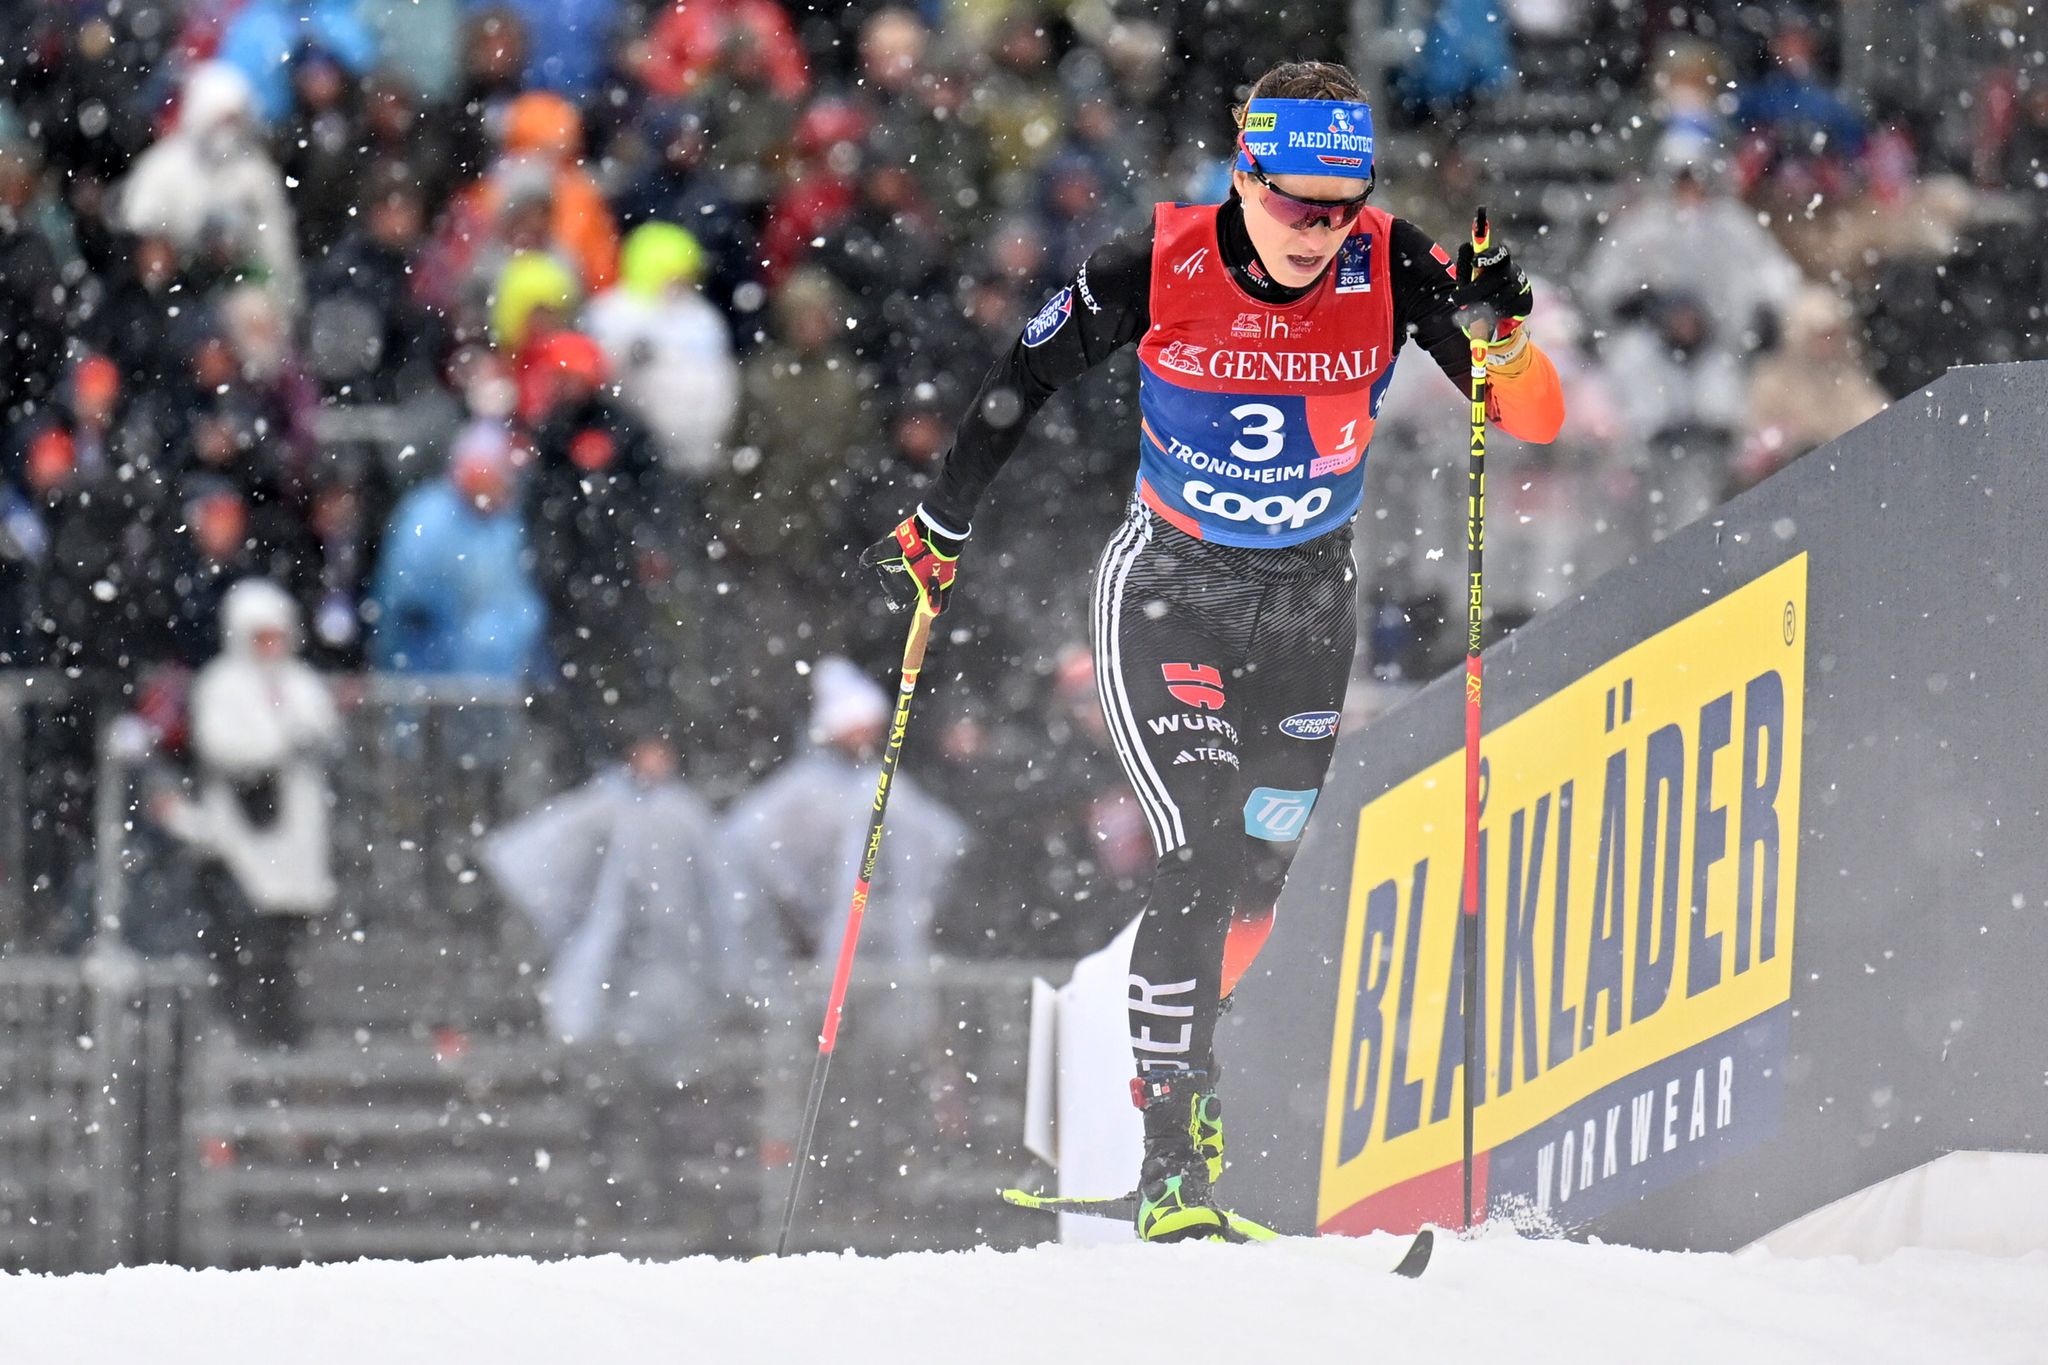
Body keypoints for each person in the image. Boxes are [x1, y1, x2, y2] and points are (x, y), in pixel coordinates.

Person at [863, 61, 1565, 1242]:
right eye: (1295, 204)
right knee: (1196, 838)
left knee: (1265, 860)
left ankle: (1168, 1072)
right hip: (1172, 589)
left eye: (1340, 207)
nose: (1316, 233)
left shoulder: (1389, 264)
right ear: (1245, 174)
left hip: (1305, 606)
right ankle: (1170, 1160)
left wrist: (1499, 332)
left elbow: (1529, 416)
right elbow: (1017, 380)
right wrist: (942, 521)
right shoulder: (1158, 259)